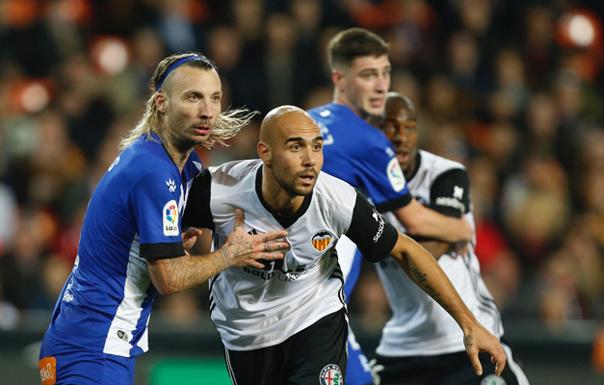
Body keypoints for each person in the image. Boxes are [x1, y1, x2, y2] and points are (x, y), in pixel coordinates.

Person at [182, 105, 506, 385]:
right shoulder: (216, 191)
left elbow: (405, 251)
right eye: (296, 147)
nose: (310, 160)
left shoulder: (338, 200)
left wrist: (469, 323)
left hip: (315, 319)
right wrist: (220, 255)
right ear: (264, 152)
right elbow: (160, 252)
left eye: (317, 146)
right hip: (246, 332)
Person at [38, 52, 290, 385]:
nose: (207, 111)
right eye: (193, 97)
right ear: (161, 103)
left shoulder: (170, 162)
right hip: (92, 348)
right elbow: (168, 279)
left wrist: (168, 244)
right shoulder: (155, 171)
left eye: (215, 98)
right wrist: (232, 254)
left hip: (90, 340)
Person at [307, 27, 473, 385]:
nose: (381, 85)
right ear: (339, 78)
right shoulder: (368, 141)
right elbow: (413, 218)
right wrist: (461, 227)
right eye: (368, 75)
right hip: (315, 309)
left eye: (385, 73)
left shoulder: (305, 121)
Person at [372, 92, 530, 385]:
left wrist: (378, 237)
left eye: (409, 127)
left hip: (467, 339)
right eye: (390, 127)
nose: (400, 136)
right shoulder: (360, 185)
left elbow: (426, 253)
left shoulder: (445, 174)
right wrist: (449, 229)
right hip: (403, 345)